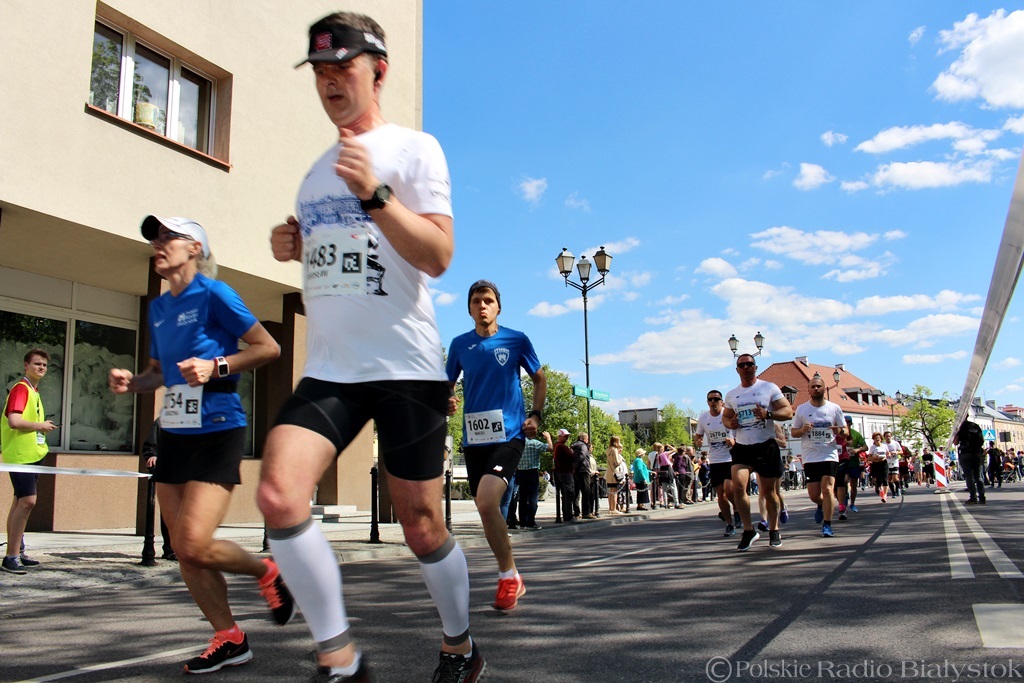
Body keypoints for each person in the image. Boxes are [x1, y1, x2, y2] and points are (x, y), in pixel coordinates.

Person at [254, 13, 484, 683]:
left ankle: (461, 645)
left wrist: (376, 194)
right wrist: (297, 246)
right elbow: (343, 260)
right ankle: (341, 658)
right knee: (279, 494)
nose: (329, 81)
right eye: (319, 71)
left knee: (420, 523)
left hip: (406, 365)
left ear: (378, 70)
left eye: (342, 67)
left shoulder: (415, 149)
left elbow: (437, 254)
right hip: (332, 368)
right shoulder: (313, 174)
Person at [108, 215, 288, 674]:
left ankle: (266, 570)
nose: (158, 243)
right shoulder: (158, 308)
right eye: (155, 238)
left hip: (218, 428)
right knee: (183, 549)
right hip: (174, 431)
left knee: (193, 541)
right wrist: (134, 382)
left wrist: (216, 367)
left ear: (195, 248)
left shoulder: (215, 294)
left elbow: (268, 347)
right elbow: (158, 373)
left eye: (169, 236)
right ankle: (230, 636)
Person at [446, 279, 546, 610]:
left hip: (510, 435)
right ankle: (512, 575)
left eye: (488, 300)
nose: (482, 306)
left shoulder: (516, 340)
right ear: (469, 309)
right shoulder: (460, 345)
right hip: (475, 439)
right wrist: (448, 398)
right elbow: (446, 384)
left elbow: (539, 378)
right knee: (485, 507)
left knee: (488, 500)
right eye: (476, 301)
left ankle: (506, 576)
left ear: (498, 307)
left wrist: (535, 415)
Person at [722, 354, 793, 551]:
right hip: (743, 447)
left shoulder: (768, 388)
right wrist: (731, 423)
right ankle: (748, 530)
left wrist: (768, 414)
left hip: (765, 446)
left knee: (769, 493)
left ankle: (774, 529)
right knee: (738, 487)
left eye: (749, 364)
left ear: (755, 367)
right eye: (742, 365)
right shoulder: (732, 395)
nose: (746, 367)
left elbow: (788, 412)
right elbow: (726, 418)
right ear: (737, 370)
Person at [2, 349, 57, 574]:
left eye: (44, 365)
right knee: (28, 501)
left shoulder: (33, 391)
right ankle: (11, 557)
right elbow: (14, 421)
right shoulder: (21, 389)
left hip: (32, 454)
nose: (41, 367)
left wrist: (41, 427)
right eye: (37, 364)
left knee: (19, 502)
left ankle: (17, 551)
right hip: (21, 456)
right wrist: (39, 425)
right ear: (26, 365)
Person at [790, 376, 847, 538]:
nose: (816, 389)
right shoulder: (802, 409)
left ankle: (827, 525)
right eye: (813, 387)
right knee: (814, 495)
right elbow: (793, 432)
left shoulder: (834, 408)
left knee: (828, 489)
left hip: (829, 454)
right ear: (808, 390)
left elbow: (845, 431)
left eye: (819, 386)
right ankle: (821, 504)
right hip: (810, 456)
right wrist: (802, 430)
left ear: (824, 389)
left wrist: (839, 431)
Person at [694, 389, 737, 536]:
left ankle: (737, 510)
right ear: (707, 402)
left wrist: (733, 440)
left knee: (729, 489)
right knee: (721, 495)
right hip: (715, 460)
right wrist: (698, 442)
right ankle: (729, 524)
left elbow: (739, 432)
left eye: (716, 399)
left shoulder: (728, 414)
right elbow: (698, 436)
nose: (713, 402)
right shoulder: (703, 418)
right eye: (710, 399)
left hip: (730, 458)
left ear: (722, 402)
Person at [142, 420, 175, 561]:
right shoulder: (164, 421)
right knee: (171, 510)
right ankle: (171, 549)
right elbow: (151, 444)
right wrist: (152, 455)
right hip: (170, 473)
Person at [518, 431, 551, 529]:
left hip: (521, 472)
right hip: (532, 472)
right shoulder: (535, 443)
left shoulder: (520, 443)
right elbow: (550, 448)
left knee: (523, 498)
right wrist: (548, 438)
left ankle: (523, 522)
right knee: (532, 498)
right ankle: (530, 522)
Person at [836, 415, 867, 515]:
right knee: (843, 481)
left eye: (848, 422)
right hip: (842, 461)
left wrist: (857, 450)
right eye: (844, 421)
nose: (846, 423)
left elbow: (865, 447)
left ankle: (852, 503)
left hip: (853, 462)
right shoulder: (838, 433)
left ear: (851, 423)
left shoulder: (855, 434)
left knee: (853, 485)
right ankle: (843, 502)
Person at [953, 419, 986, 504]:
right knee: (978, 476)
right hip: (976, 453)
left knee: (969, 476)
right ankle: (982, 497)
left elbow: (955, 442)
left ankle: (973, 497)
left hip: (965, 453)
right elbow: (982, 440)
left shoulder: (960, 427)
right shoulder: (975, 426)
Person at [552, 428, 577, 520]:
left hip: (562, 472)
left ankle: (566, 514)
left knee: (565, 493)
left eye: (567, 436)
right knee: (569, 492)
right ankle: (568, 514)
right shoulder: (561, 447)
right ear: (560, 436)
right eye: (565, 436)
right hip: (565, 472)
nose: (567, 438)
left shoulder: (557, 446)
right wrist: (572, 451)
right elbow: (572, 456)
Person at [572, 433, 596, 519]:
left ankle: (576, 512)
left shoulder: (573, 446)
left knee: (576, 493)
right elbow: (582, 456)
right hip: (583, 470)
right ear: (584, 438)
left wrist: (573, 467)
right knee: (586, 492)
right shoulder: (583, 446)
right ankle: (586, 512)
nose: (588, 440)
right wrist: (577, 465)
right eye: (587, 438)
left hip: (575, 471)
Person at [605, 435, 626, 513]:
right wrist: (621, 459)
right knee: (614, 491)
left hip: (609, 472)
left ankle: (610, 508)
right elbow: (617, 462)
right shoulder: (615, 450)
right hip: (615, 472)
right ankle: (614, 508)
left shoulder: (608, 450)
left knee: (610, 491)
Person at [866, 432, 889, 502]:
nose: (877, 439)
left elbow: (888, 453)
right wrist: (874, 457)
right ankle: (881, 491)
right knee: (879, 480)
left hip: (884, 463)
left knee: (885, 479)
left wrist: (888, 455)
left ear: (881, 439)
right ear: (874, 439)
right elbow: (869, 458)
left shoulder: (884, 446)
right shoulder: (872, 447)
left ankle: (885, 495)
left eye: (878, 438)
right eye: (875, 438)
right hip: (876, 464)